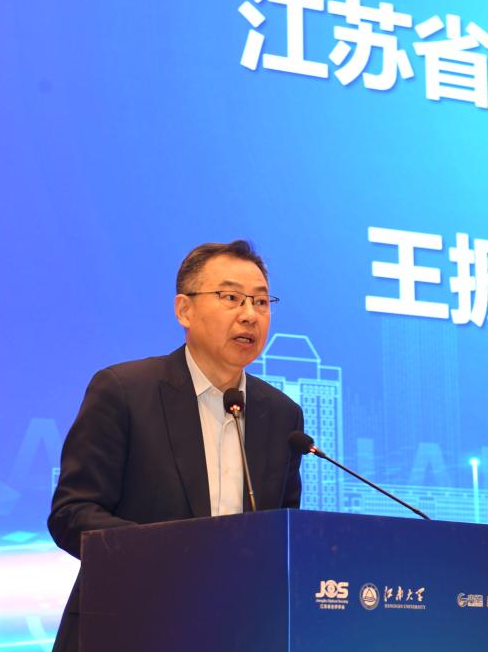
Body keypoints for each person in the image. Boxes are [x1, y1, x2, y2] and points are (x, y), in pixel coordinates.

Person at [47, 240, 304, 652]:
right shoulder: (124, 392)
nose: (250, 315)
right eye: (231, 298)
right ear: (184, 310)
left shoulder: (281, 416)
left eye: (260, 302)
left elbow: (285, 533)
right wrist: (176, 558)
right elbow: (72, 513)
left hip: (237, 634)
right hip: (128, 628)